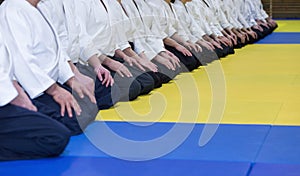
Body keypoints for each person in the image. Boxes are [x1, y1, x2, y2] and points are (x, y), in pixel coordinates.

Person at [0, 0, 94, 135]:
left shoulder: (41, 8)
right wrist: (54, 90)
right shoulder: (12, 9)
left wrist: (71, 79)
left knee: (88, 107)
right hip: (33, 87)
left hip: (50, 82)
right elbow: (21, 59)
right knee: (74, 122)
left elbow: (57, 51)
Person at [0, 31, 71, 161]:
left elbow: (6, 66)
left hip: (10, 91)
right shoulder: (12, 12)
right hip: (6, 98)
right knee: (56, 138)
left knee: (69, 120)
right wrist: (16, 98)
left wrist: (18, 92)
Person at [38, 0, 116, 110]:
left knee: (111, 92)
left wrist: (97, 66)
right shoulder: (41, 5)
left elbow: (82, 36)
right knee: (82, 113)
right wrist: (75, 76)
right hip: (56, 71)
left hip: (73, 65)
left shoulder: (69, 2)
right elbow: (54, 47)